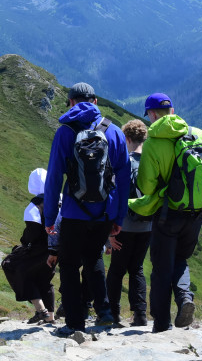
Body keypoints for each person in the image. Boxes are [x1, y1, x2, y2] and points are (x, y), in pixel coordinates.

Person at [43, 82, 130, 334]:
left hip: (73, 213)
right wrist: (118, 217)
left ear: (71, 103)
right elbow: (124, 179)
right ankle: (104, 311)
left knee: (69, 265)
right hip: (104, 213)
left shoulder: (65, 132)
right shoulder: (113, 132)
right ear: (94, 102)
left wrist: (50, 216)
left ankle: (74, 323)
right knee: (93, 258)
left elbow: (54, 178)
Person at [129, 93, 202, 333]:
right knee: (181, 260)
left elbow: (146, 186)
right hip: (196, 213)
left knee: (161, 268)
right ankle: (185, 298)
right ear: (172, 111)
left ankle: (162, 323)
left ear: (152, 114)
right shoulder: (199, 134)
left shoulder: (154, 142)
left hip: (167, 214)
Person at [106, 119, 152, 326]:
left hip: (123, 225)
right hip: (147, 225)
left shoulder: (124, 162)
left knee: (117, 270)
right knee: (137, 269)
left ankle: (113, 314)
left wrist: (109, 231)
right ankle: (140, 315)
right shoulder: (151, 162)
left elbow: (114, 196)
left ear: (127, 138)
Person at [4, 168, 56, 324]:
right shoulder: (59, 198)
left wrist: (24, 241)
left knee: (13, 267)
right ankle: (50, 318)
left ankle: (41, 311)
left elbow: (32, 233)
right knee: (45, 279)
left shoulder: (34, 207)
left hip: (39, 249)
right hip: (58, 247)